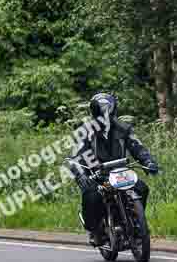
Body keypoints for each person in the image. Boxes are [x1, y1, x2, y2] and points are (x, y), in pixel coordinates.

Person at [68, 92, 160, 246]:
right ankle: (95, 230)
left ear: (113, 110)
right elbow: (75, 157)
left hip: (120, 173)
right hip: (96, 176)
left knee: (142, 188)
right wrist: (80, 175)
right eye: (101, 112)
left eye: (107, 111)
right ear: (94, 112)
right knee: (92, 196)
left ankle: (136, 222)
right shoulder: (85, 132)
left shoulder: (124, 128)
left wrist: (148, 162)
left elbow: (137, 147)